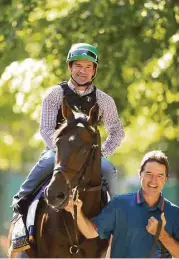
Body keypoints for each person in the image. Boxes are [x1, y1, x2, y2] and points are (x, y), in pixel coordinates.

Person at [12, 43, 125, 215]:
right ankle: (21, 203)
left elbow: (117, 131)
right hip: (57, 151)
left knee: (108, 169)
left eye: (88, 67)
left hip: (90, 154)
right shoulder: (55, 94)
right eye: (78, 65)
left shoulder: (104, 101)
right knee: (45, 164)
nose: (83, 71)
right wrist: (64, 152)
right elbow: (46, 129)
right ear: (70, 66)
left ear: (94, 71)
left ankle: (117, 214)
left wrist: (101, 153)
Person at [65, 150, 179, 258]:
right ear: (140, 174)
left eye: (160, 175)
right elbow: (91, 232)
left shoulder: (174, 213)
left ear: (165, 179)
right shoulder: (119, 204)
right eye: (149, 174)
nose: (154, 180)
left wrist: (162, 234)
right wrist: (77, 213)